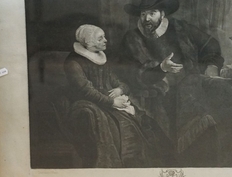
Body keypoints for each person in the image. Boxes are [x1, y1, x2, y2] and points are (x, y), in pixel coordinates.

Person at [119, 0, 224, 166]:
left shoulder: (181, 28)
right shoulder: (132, 38)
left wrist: (212, 65)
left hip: (190, 90)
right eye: (143, 14)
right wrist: (161, 69)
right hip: (155, 96)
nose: (146, 19)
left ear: (162, 14)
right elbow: (132, 75)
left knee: (208, 122)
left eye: (152, 13)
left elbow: (211, 45)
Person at [63, 24, 173, 168]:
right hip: (88, 103)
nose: (105, 40)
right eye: (100, 38)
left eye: (104, 37)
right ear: (89, 42)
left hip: (109, 101)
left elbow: (120, 83)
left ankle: (157, 163)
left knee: (145, 121)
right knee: (126, 126)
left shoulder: (101, 58)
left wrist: (120, 90)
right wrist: (112, 102)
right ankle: (129, 164)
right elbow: (86, 91)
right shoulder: (73, 63)